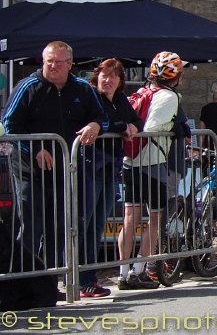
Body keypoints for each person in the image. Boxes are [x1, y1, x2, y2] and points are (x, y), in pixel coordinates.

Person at [2, 41, 107, 302]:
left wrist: (95, 125)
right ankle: (21, 285)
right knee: (30, 226)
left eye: (59, 61)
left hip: (65, 172)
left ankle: (48, 284)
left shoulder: (82, 88)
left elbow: (102, 117)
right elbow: (9, 125)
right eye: (48, 60)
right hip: (29, 171)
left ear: (70, 63)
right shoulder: (28, 87)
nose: (53, 66)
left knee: (57, 229)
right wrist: (36, 147)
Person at [118, 51, 183, 289]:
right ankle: (138, 270)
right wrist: (173, 127)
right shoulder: (169, 96)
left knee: (129, 218)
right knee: (155, 219)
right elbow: (153, 127)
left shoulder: (143, 92)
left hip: (130, 161)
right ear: (176, 76)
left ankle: (123, 272)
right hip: (152, 162)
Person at [77, 59, 142, 298]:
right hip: (89, 166)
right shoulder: (89, 94)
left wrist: (132, 126)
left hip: (110, 168)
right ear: (97, 76)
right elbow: (98, 121)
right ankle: (80, 279)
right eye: (105, 75)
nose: (108, 80)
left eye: (113, 76)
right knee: (84, 224)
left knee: (97, 225)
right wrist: (120, 125)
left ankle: (88, 280)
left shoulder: (121, 99)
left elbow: (135, 120)